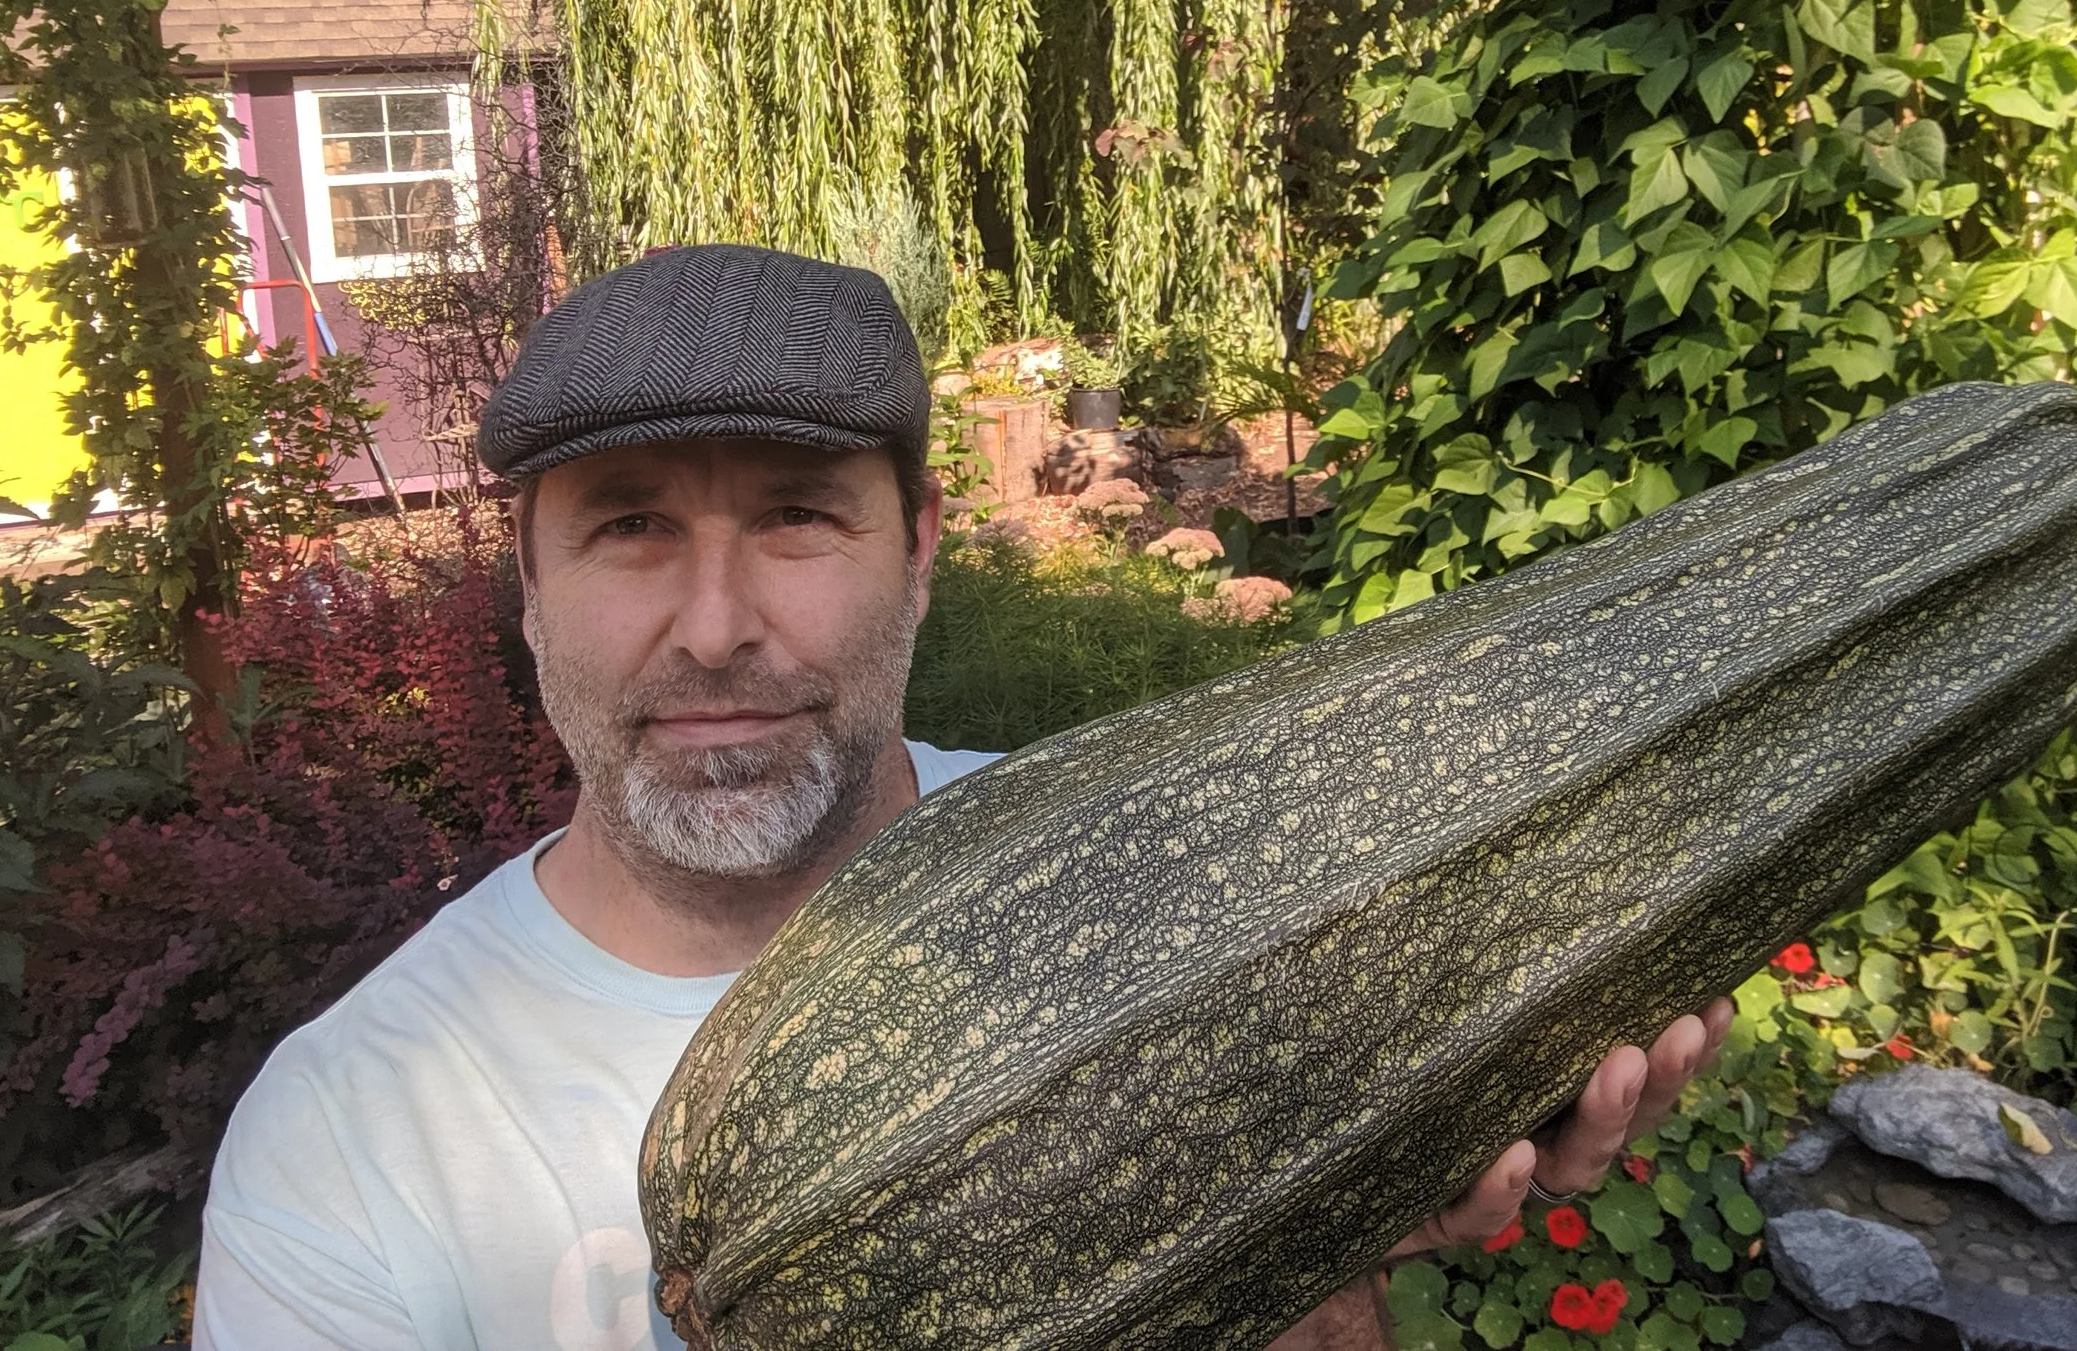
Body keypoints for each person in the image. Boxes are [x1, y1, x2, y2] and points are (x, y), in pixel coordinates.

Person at [193, 244, 1731, 1351]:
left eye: (797, 517)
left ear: (921, 547)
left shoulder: (1167, 882)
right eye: (631, 527)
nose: (716, 625)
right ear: (529, 583)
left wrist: (1312, 1254)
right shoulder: (347, 1151)